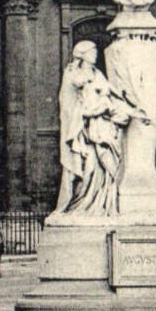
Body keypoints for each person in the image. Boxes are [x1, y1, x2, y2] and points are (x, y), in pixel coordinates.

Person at [54, 41, 138, 218]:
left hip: (102, 128)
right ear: (82, 54)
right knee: (87, 170)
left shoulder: (97, 73)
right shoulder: (72, 75)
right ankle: (77, 206)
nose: (95, 54)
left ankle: (102, 206)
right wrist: (98, 109)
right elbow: (70, 106)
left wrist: (131, 107)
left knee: (103, 170)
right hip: (83, 133)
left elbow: (112, 93)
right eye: (92, 51)